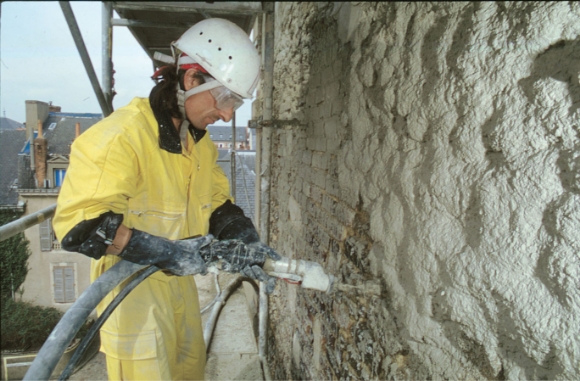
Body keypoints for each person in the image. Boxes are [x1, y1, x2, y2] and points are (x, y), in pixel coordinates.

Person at [52, 18, 279, 381]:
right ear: (191, 80)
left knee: (190, 371)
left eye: (235, 103)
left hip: (180, 286)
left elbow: (218, 204)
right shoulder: (121, 137)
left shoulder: (196, 142)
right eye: (225, 98)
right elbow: (82, 226)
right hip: (133, 297)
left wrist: (246, 241)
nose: (226, 114)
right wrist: (170, 253)